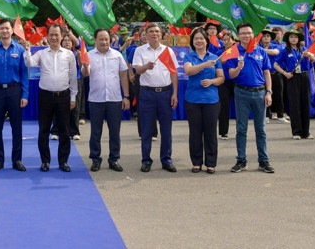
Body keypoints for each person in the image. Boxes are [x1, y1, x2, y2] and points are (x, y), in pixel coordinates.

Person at [23, 22, 77, 172]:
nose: (54, 37)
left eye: (56, 35)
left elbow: (73, 78)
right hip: (45, 96)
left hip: (63, 96)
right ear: (47, 36)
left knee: (64, 131)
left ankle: (63, 161)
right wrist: (27, 50)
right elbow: (29, 63)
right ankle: (45, 161)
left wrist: (73, 97)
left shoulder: (69, 54)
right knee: (44, 130)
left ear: (61, 36)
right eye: (51, 35)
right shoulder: (41, 53)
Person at [223, 24, 274, 173]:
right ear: (238, 36)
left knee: (261, 128)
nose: (247, 36)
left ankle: (263, 160)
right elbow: (231, 75)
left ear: (253, 34)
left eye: (249, 33)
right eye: (243, 33)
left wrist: (269, 92)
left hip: (259, 92)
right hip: (241, 92)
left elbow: (267, 73)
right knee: (241, 128)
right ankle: (241, 160)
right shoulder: (233, 52)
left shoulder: (260, 51)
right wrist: (238, 67)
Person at [132, 23, 178, 173]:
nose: (154, 34)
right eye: (151, 31)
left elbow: (173, 73)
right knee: (146, 129)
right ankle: (146, 160)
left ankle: (166, 159)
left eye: (157, 31)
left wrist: (175, 93)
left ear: (161, 34)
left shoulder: (168, 51)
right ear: (145, 34)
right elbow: (137, 70)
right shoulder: (140, 51)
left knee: (166, 129)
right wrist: (146, 67)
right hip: (147, 94)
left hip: (165, 93)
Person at [0, 18, 28, 171]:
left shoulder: (19, 49)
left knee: (17, 127)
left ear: (11, 30)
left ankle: (17, 160)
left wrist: (25, 95)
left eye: (7, 28)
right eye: (1, 28)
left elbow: (24, 74)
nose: (4, 31)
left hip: (15, 91)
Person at [81, 27, 129, 172]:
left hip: (114, 99)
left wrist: (126, 96)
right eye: (101, 39)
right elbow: (85, 74)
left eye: (106, 39)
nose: (104, 42)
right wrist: (84, 66)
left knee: (115, 131)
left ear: (110, 40)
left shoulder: (117, 55)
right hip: (96, 99)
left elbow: (123, 75)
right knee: (96, 132)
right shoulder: (88, 55)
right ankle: (96, 159)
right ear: (95, 40)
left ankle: (114, 159)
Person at [183, 27, 223, 173]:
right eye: (196, 39)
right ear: (192, 42)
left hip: (211, 100)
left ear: (206, 40)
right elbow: (188, 71)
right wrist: (205, 64)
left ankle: (211, 163)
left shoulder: (215, 57)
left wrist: (212, 82)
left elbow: (221, 78)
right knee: (195, 132)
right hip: (192, 99)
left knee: (210, 131)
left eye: (201, 38)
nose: (199, 41)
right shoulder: (189, 57)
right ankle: (196, 162)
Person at [273, 30, 315, 140]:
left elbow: (314, 59)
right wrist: (284, 73)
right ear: (288, 39)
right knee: (295, 105)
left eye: (296, 37)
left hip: (304, 76)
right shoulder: (285, 51)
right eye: (291, 37)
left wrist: (309, 55)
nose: (294, 39)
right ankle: (296, 132)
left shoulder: (304, 49)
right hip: (292, 77)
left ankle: (306, 132)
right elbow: (275, 64)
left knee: (305, 103)